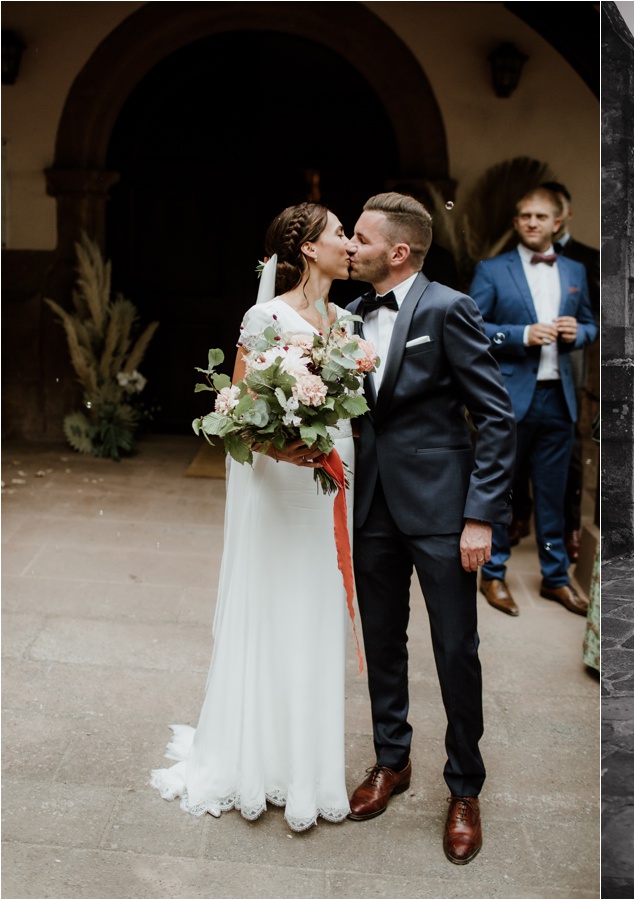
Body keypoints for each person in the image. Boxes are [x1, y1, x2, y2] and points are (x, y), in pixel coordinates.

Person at [151, 202, 357, 832]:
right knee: (273, 607)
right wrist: (288, 446)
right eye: (340, 234)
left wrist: (328, 445)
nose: (350, 243)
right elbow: (238, 414)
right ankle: (250, 758)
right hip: (279, 487)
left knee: (318, 614)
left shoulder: (347, 321)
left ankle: (307, 770)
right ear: (309, 251)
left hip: (334, 478)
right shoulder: (264, 317)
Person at [343, 192, 516, 865]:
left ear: (399, 251)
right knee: (382, 641)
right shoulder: (351, 316)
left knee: (455, 649)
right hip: (372, 507)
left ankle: (464, 787)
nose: (350, 247)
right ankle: (393, 760)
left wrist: (480, 516)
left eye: (360, 238)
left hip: (445, 511)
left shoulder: (448, 308)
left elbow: (495, 417)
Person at [471, 186, 598, 618]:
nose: (531, 222)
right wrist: (521, 335)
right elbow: (474, 330)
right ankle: (494, 574)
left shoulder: (576, 270)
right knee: (502, 494)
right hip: (508, 398)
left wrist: (575, 334)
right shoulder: (492, 270)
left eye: (541, 216)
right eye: (524, 215)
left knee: (552, 496)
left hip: (559, 400)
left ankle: (556, 579)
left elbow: (589, 327)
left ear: (557, 223)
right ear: (515, 222)